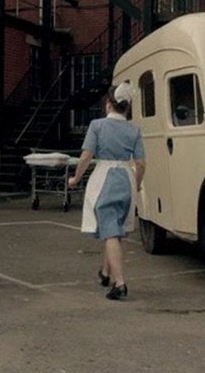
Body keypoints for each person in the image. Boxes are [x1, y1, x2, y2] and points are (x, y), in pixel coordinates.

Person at [68, 82, 146, 301]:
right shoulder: (134, 129)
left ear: (109, 104)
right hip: (127, 178)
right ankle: (105, 273)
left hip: (105, 177)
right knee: (115, 228)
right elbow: (140, 163)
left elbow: (86, 156)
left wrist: (75, 179)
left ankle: (119, 283)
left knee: (110, 230)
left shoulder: (97, 126)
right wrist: (138, 183)